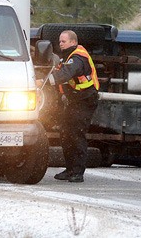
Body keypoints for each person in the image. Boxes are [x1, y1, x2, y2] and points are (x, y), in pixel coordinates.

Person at [36, 30, 99, 183]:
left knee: (77, 135)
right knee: (66, 134)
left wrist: (43, 81)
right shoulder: (68, 57)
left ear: (73, 42)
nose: (60, 44)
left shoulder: (78, 57)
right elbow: (58, 71)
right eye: (60, 41)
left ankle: (78, 172)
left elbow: (65, 74)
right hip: (74, 101)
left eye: (63, 41)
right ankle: (70, 169)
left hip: (85, 101)